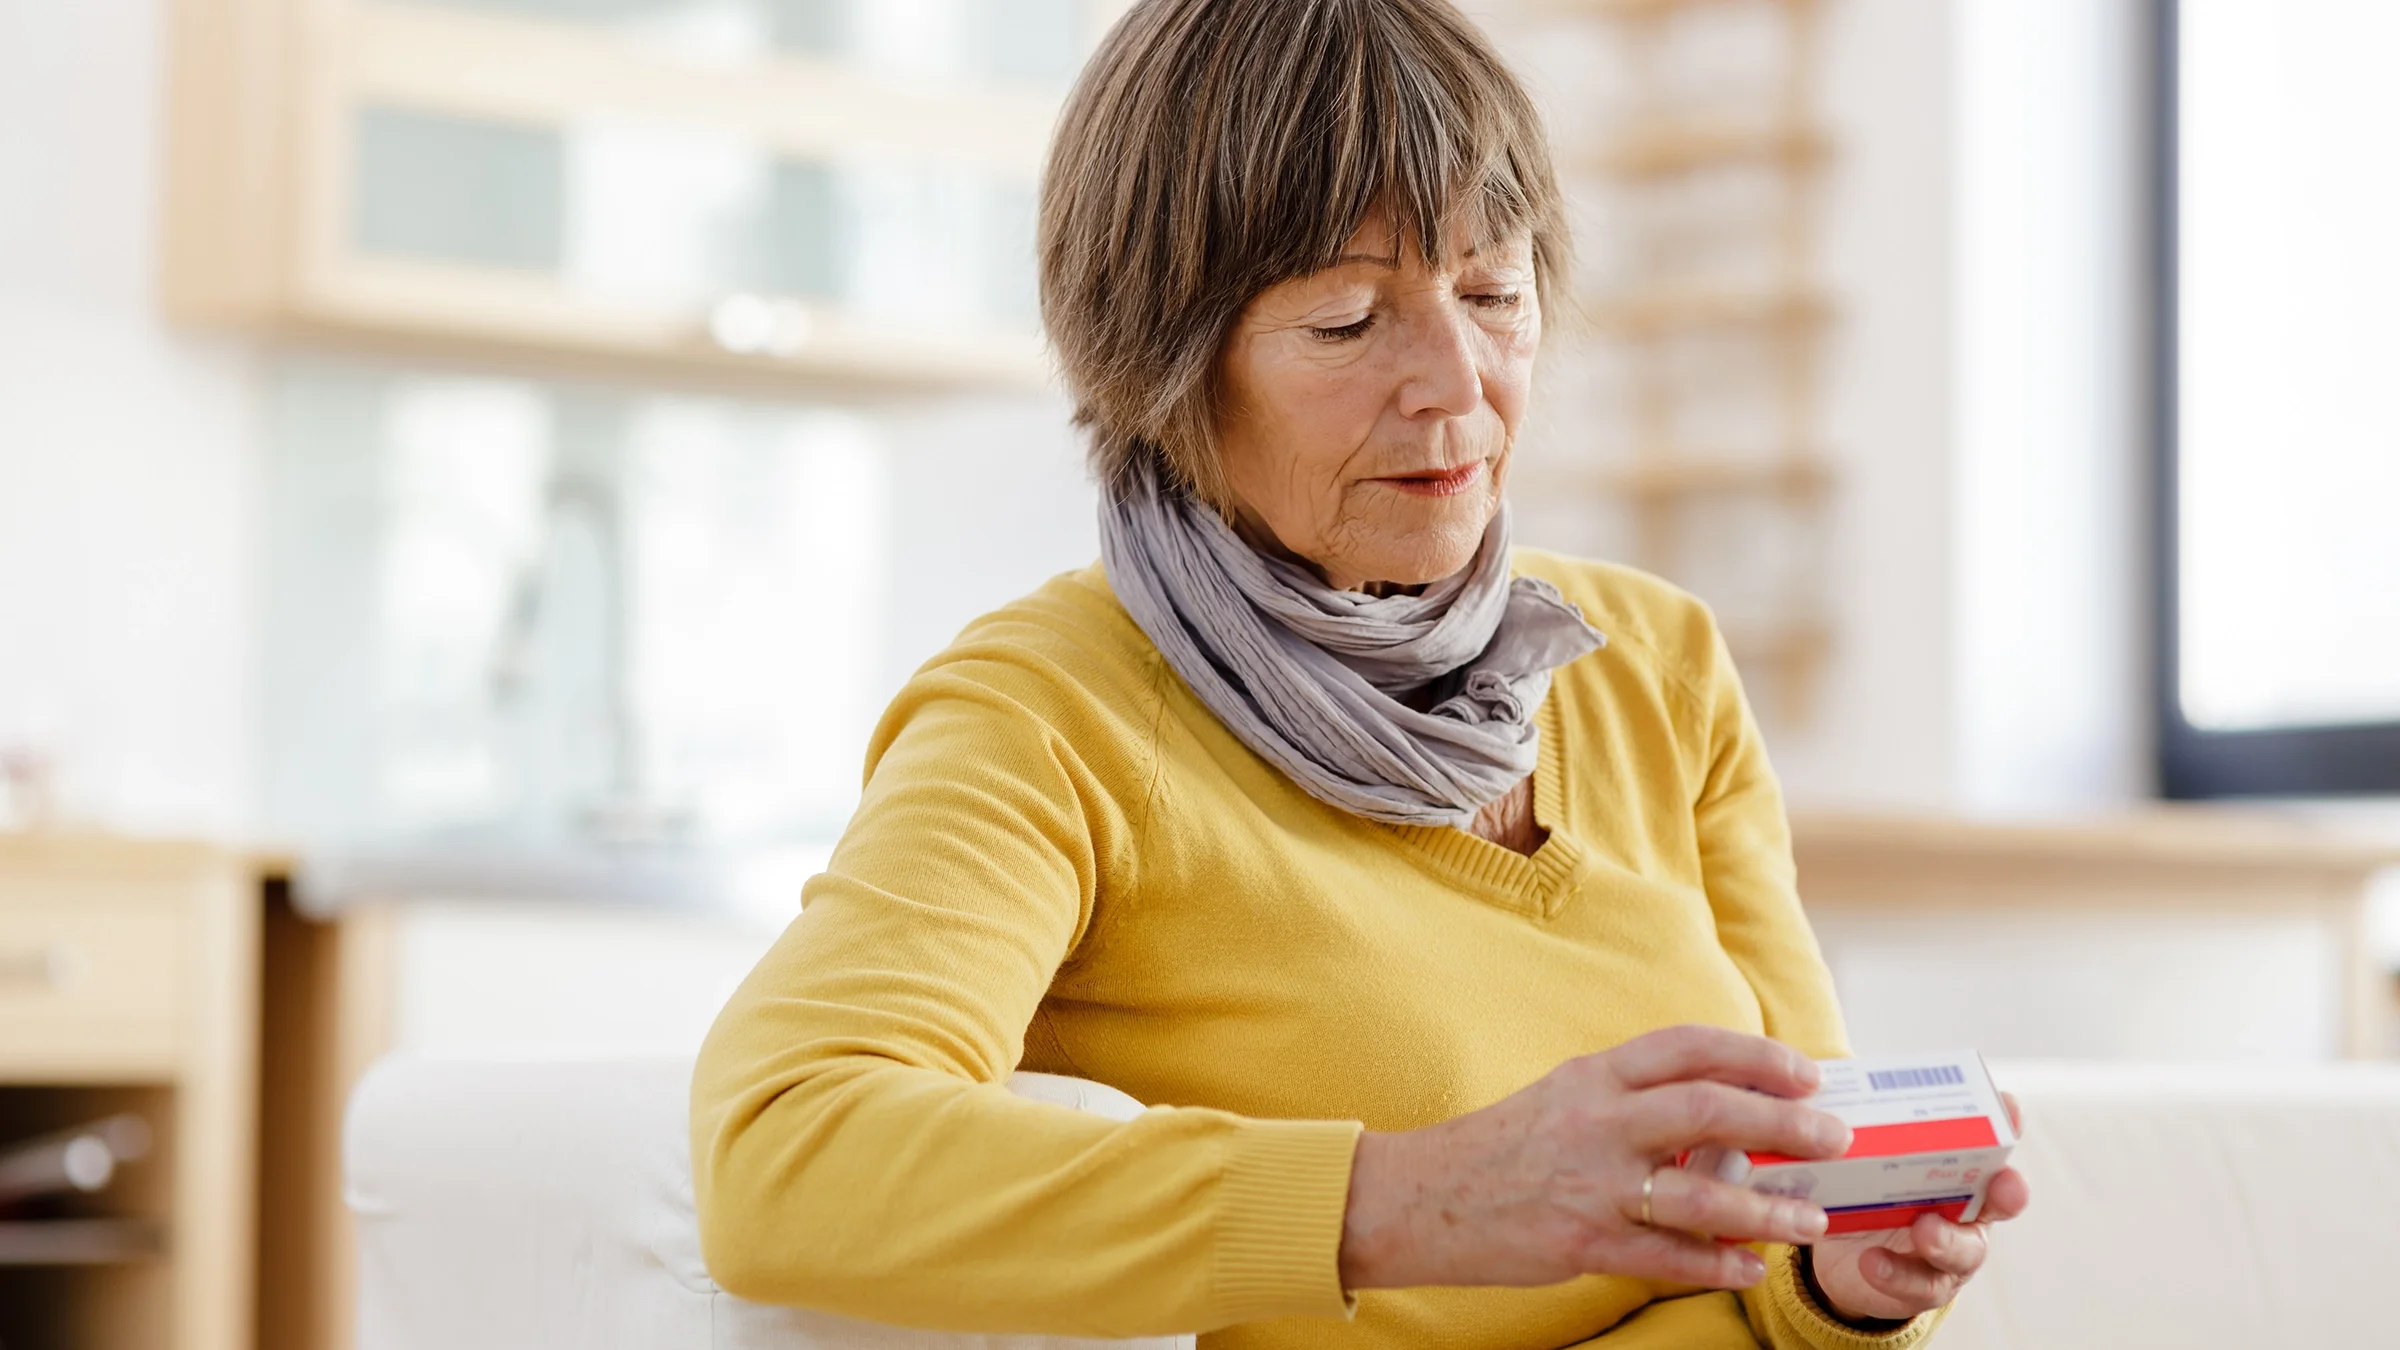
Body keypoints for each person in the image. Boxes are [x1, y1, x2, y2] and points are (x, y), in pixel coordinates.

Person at [690, 1, 2027, 1345]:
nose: (1458, 385)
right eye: (1344, 321)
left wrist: (1841, 1280)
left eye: (1495, 295)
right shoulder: (1049, 713)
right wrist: (1407, 1198)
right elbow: (781, 1151)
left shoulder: (1654, 666)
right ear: (1161, 363)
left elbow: (1792, 1236)